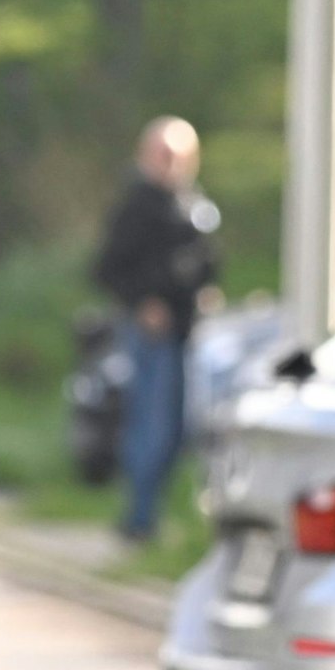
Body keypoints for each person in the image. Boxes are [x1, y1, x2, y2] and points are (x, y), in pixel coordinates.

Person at [93, 115, 219, 542]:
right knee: (151, 427)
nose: (172, 164)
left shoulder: (193, 203)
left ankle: (154, 517)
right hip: (151, 335)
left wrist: (204, 292)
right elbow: (107, 269)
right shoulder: (136, 206)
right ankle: (139, 520)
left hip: (187, 330)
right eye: (164, 155)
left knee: (180, 429)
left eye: (179, 156)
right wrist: (143, 303)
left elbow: (201, 263)